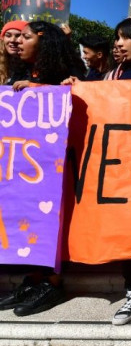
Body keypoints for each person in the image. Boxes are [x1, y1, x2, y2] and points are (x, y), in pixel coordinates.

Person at [64, 17, 131, 328]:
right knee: (126, 231)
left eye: (126, 38)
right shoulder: (110, 77)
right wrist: (75, 87)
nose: (118, 43)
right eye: (117, 38)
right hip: (119, 167)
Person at [0, 21, 85, 316]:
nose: (18, 42)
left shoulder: (62, 73)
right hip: (25, 170)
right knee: (28, 218)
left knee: (50, 220)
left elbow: (75, 96)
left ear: (44, 42)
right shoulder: (22, 72)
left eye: (25, 37)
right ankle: (33, 278)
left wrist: (40, 90)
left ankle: (52, 281)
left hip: (55, 169)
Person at [2, 20, 30, 84]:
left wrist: (31, 85)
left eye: (18, 35)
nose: (12, 40)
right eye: (8, 35)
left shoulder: (36, 65)